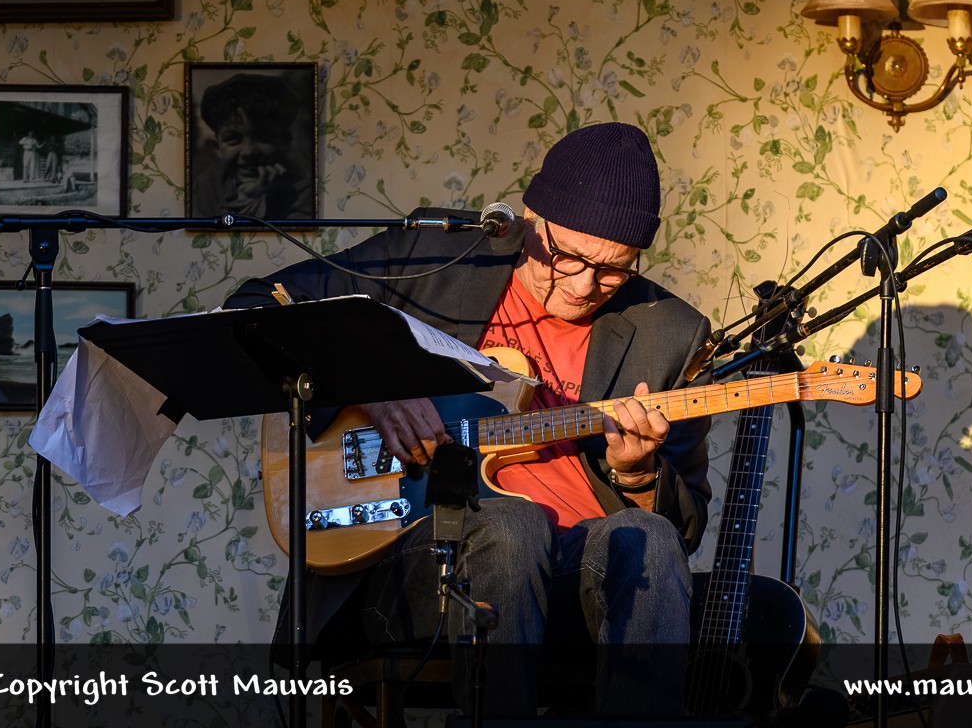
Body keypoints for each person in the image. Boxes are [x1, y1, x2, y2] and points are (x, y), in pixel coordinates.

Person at [224, 122, 712, 717]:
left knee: (650, 538)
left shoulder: (671, 332)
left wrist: (636, 476)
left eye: (614, 270)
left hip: (576, 580)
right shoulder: (434, 259)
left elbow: (685, 527)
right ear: (531, 218)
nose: (585, 285)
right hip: (418, 559)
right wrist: (372, 390)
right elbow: (256, 308)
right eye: (568, 256)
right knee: (511, 524)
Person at [190, 73, 315, 221]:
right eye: (233, 139)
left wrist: (256, 202)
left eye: (263, 137)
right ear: (217, 147)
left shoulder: (305, 194)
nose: (248, 151)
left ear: (285, 141)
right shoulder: (208, 186)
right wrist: (245, 198)